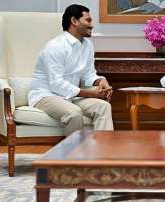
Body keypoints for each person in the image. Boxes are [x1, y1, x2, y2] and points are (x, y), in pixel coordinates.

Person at [28, 4, 114, 136]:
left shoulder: (88, 46)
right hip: (46, 95)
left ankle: (101, 154)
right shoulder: (55, 46)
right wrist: (89, 93)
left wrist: (100, 81)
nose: (92, 25)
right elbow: (56, 84)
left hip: (71, 97)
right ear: (74, 21)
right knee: (73, 113)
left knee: (103, 107)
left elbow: (88, 74)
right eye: (88, 20)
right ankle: (74, 155)